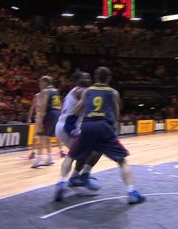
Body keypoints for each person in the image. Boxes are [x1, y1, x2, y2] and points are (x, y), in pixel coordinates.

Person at [68, 67, 146, 204]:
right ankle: (132, 191)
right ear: (109, 78)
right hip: (103, 128)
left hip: (85, 126)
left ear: (95, 77)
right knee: (122, 160)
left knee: (81, 153)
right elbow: (116, 112)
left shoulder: (87, 91)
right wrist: (114, 126)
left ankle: (73, 177)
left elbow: (76, 109)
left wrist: (74, 123)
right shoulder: (113, 92)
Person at [54, 71, 102, 201]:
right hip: (69, 127)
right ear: (77, 81)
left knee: (82, 153)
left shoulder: (76, 91)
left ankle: (69, 179)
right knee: (96, 149)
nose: (87, 79)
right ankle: (81, 176)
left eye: (88, 77)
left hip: (66, 126)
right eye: (83, 77)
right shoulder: (81, 91)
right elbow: (87, 99)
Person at [31, 76, 62, 168]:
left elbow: (44, 105)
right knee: (47, 138)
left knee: (42, 136)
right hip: (57, 113)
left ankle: (38, 161)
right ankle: (49, 159)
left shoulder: (45, 91)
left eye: (41, 83)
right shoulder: (56, 91)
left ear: (46, 82)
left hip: (50, 113)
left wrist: (40, 118)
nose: (40, 85)